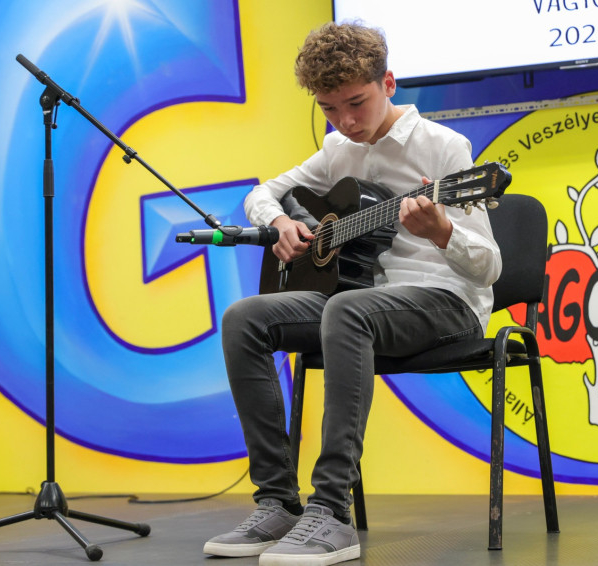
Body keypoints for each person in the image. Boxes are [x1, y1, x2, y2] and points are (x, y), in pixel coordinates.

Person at [203, 21, 502, 566]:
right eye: (329, 109)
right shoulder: (338, 150)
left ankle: (331, 511)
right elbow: (262, 194)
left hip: (444, 302)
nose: (345, 121)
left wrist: (442, 232)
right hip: (363, 300)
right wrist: (281, 221)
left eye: (356, 103)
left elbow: (489, 268)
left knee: (346, 309)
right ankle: (278, 503)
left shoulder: (444, 147)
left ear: (388, 83)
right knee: (245, 318)